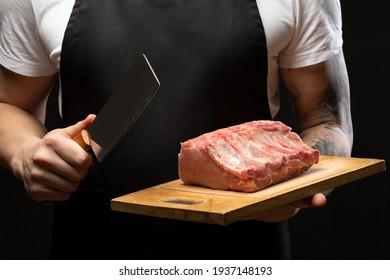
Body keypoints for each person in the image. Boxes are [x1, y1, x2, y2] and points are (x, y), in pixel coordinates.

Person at [0, 0, 353, 259]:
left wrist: (288, 191)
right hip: (92, 251)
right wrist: (26, 154)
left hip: (244, 254)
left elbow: (327, 121)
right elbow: (8, 104)